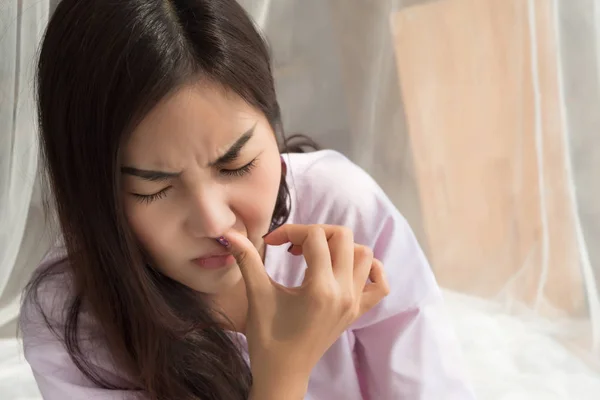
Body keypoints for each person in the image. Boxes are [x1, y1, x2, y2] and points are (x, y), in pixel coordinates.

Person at [19, 0, 476, 399]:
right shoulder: (71, 318)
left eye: (236, 165)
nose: (214, 222)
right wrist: (283, 374)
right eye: (153, 188)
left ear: (272, 125)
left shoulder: (342, 208)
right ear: (92, 191)